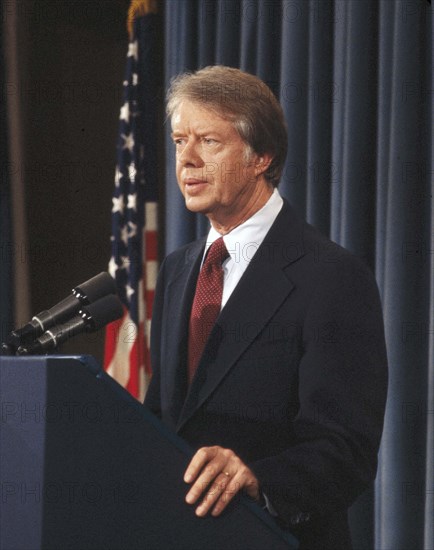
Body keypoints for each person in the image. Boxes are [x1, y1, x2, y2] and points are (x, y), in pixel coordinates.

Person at [144, 66, 388, 549]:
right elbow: (165, 418)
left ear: (262, 157)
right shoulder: (177, 270)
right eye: (178, 141)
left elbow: (347, 449)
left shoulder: (331, 276)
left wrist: (255, 477)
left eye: (208, 142)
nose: (186, 160)